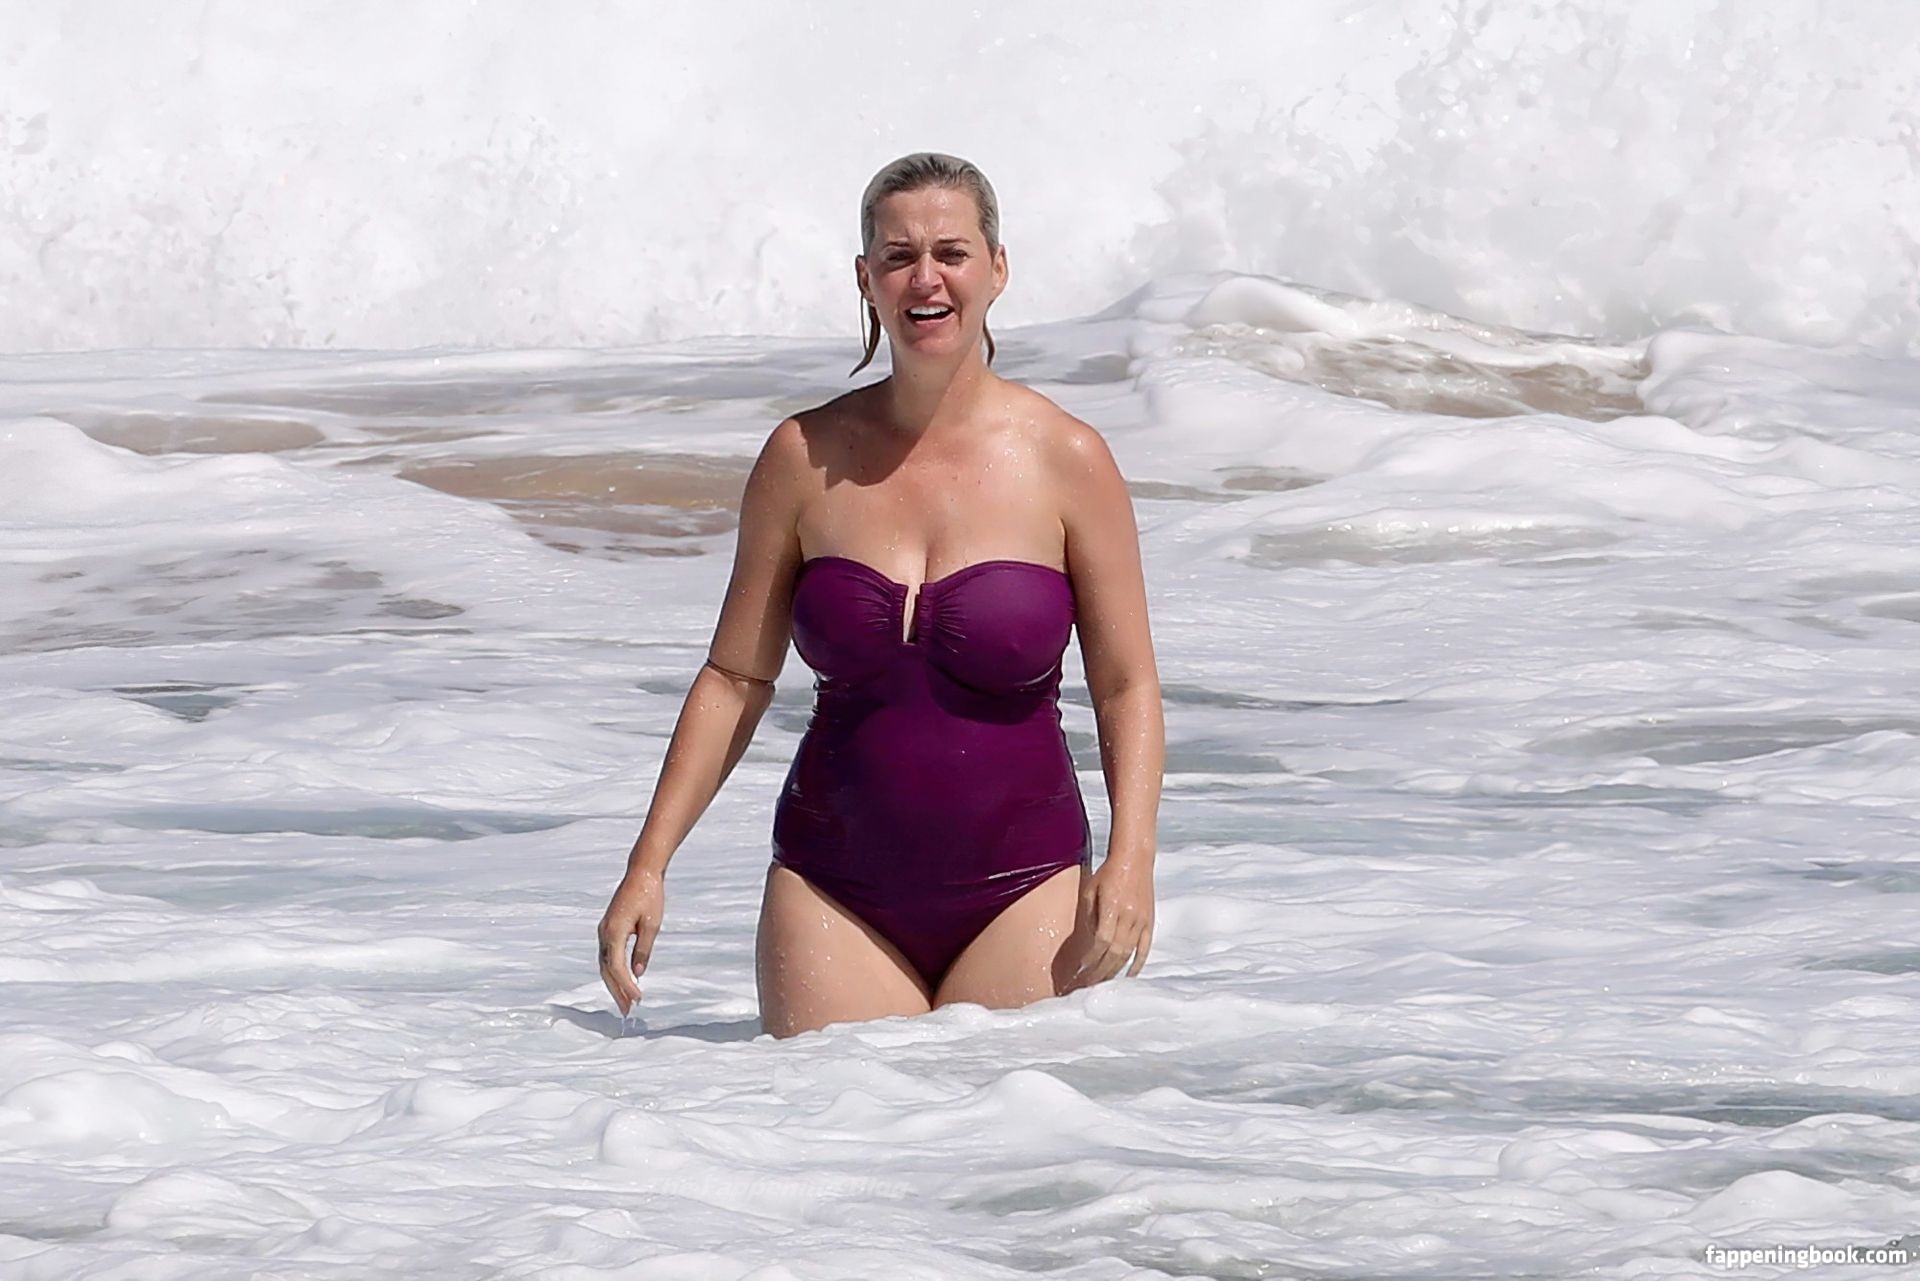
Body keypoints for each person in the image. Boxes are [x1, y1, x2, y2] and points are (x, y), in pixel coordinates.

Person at [597, 152, 1164, 1038]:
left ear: (997, 268)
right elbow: (736, 678)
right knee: (837, 1124)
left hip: (1026, 886)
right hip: (832, 887)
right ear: (866, 279)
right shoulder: (802, 458)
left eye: (951, 252)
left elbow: (1126, 683)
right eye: (899, 257)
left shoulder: (1068, 460)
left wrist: (1132, 859)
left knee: (1010, 1123)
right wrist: (648, 862)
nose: (925, 277)